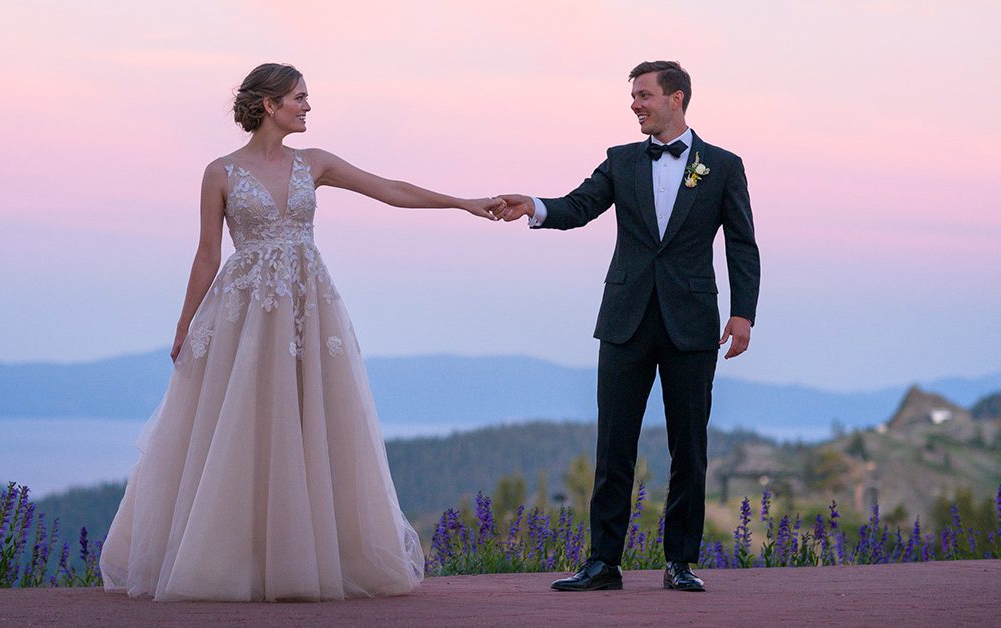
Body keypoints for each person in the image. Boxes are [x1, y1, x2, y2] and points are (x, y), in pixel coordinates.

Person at [99, 62, 503, 602]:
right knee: (240, 424)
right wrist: (185, 324)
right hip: (244, 309)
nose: (308, 106)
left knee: (309, 418)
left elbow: (387, 188)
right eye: (299, 97)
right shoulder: (219, 172)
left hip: (309, 305)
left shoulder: (314, 163)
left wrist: (463, 203)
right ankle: (229, 560)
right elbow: (206, 254)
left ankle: (302, 558)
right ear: (269, 104)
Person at [495, 60, 760, 592]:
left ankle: (679, 563)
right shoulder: (620, 161)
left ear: (676, 98)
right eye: (633, 96)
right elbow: (579, 205)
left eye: (643, 95)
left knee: (689, 447)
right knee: (614, 443)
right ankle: (603, 564)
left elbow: (742, 244)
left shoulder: (724, 166)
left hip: (691, 324)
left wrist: (742, 313)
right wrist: (536, 206)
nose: (634, 104)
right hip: (625, 321)